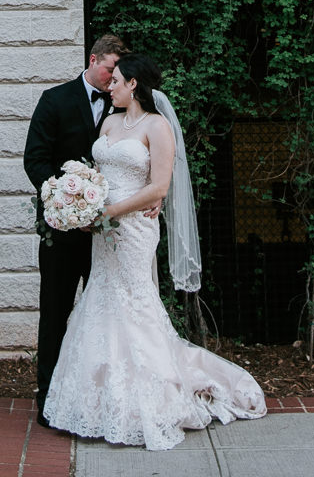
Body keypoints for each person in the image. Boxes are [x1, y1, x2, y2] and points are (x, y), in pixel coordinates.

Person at [41, 53, 266, 451]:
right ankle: (95, 404)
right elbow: (101, 171)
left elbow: (159, 187)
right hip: (102, 231)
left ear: (134, 85)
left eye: (117, 81)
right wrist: (81, 202)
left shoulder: (158, 126)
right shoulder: (109, 122)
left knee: (134, 301)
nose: (109, 86)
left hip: (134, 228)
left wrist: (108, 210)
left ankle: (148, 399)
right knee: (100, 298)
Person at [23, 33, 127, 426]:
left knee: (106, 317)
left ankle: (101, 398)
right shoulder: (55, 99)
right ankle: (48, 397)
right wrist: (69, 206)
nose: (112, 78)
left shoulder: (126, 109)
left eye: (118, 73)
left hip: (111, 235)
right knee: (55, 313)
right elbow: (35, 160)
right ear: (93, 59)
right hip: (64, 231)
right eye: (108, 69)